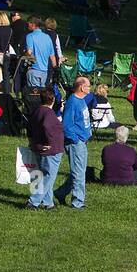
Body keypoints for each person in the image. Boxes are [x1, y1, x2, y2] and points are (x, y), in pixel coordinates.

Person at [52, 76, 92, 209]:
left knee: (79, 171)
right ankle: (78, 202)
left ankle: (61, 192)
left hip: (82, 141)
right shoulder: (73, 102)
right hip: (76, 143)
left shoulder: (81, 101)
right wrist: (76, 139)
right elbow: (67, 125)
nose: (90, 88)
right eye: (88, 86)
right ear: (81, 87)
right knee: (79, 173)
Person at [24, 89, 64, 209]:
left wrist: (32, 141)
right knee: (48, 177)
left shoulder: (36, 111)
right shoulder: (49, 113)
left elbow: (29, 128)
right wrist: (50, 142)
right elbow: (47, 126)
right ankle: (33, 201)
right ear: (53, 100)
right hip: (51, 150)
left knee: (44, 175)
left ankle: (48, 203)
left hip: (38, 147)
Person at [24, 17, 57, 89]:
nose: (27, 26)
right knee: (42, 93)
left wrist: (24, 55)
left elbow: (29, 52)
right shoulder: (47, 37)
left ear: (33, 24)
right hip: (44, 71)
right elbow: (52, 56)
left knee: (34, 94)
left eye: (28, 24)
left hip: (34, 69)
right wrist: (55, 68)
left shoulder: (30, 36)